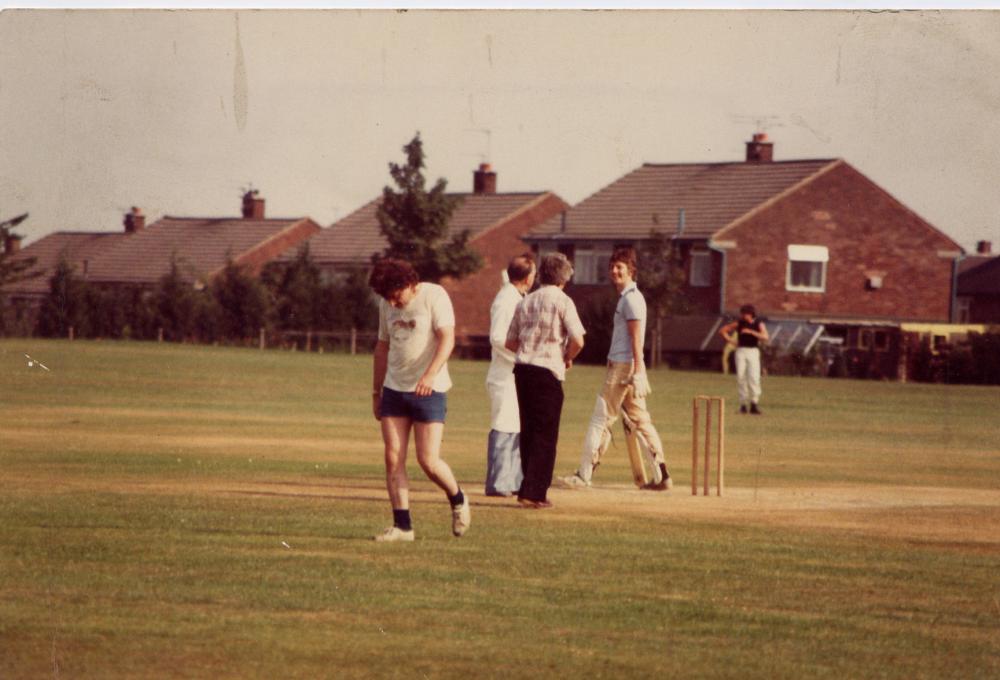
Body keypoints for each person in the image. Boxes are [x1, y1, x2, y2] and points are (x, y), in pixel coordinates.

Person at [369, 258, 470, 542]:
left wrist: (430, 375)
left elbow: (447, 339)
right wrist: (376, 392)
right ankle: (403, 527)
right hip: (394, 389)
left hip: (430, 389)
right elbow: (382, 348)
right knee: (393, 458)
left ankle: (458, 499)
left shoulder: (434, 295)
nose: (392, 302)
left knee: (428, 461)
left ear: (410, 284)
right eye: (386, 297)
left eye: (396, 295)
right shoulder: (386, 305)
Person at [560, 246, 672, 490]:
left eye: (619, 267)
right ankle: (662, 475)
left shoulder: (631, 299)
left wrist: (638, 370)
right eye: (612, 267)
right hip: (627, 365)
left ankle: (583, 475)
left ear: (631, 270)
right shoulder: (630, 297)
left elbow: (635, 338)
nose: (614, 271)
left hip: (623, 366)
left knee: (601, 418)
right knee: (640, 420)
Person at [504, 252, 585, 509]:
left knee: (528, 430)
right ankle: (535, 492)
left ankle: (526, 485)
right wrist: (566, 357)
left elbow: (510, 341)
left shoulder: (526, 301)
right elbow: (578, 339)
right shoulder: (563, 301)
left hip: (523, 369)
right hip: (547, 370)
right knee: (546, 434)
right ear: (563, 277)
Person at [485, 254, 537, 497]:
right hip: (504, 375)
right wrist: (522, 357)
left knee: (515, 425)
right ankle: (500, 483)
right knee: (504, 425)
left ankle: (512, 480)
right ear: (528, 278)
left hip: (512, 374)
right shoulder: (507, 300)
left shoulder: (516, 297)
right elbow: (498, 338)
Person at [718, 304, 769, 414]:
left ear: (750, 314)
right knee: (741, 377)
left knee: (754, 377)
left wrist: (751, 332)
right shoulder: (739, 323)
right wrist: (732, 342)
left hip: (753, 351)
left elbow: (765, 337)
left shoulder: (758, 324)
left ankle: (754, 403)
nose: (742, 316)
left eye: (744, 314)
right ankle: (743, 405)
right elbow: (723, 330)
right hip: (741, 351)